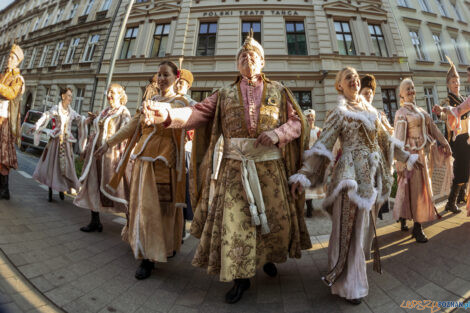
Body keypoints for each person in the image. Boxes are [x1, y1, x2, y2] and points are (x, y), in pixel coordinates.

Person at [142, 32, 311, 304]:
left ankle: (267, 257)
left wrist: (278, 134)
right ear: (237, 63)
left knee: (272, 221)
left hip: (270, 170)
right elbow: (196, 113)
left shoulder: (280, 91)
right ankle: (240, 277)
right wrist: (166, 114)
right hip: (234, 171)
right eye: (242, 56)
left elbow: (298, 123)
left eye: (253, 56)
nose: (247, 59)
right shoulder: (223, 94)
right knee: (236, 223)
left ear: (263, 62)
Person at [290, 67, 418, 304]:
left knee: (360, 230)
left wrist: (407, 157)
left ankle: (350, 277)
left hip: (369, 178)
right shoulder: (338, 112)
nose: (354, 79)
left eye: (356, 77)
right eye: (348, 77)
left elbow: (386, 142)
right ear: (339, 85)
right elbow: (323, 145)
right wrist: (304, 174)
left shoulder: (372, 112)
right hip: (348, 176)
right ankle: (347, 283)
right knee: (345, 228)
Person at [94, 61, 189, 280]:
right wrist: (108, 143)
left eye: (166, 74)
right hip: (143, 162)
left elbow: (188, 123)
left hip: (165, 163)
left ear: (176, 77)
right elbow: (132, 128)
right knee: (143, 207)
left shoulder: (181, 103)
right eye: (159, 74)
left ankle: (155, 253)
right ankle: (147, 252)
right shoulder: (149, 101)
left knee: (162, 209)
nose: (162, 78)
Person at [393, 78, 451, 243]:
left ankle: (416, 226)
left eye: (412, 87)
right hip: (409, 157)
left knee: (420, 189)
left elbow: (432, 128)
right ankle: (409, 221)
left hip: (422, 156)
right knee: (408, 189)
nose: (411, 90)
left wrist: (446, 143)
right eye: (407, 89)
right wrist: (402, 160)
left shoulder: (421, 111)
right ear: (401, 94)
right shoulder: (401, 113)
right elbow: (397, 140)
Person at [74, 84, 131, 232]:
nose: (109, 95)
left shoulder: (123, 112)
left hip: (113, 158)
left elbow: (127, 135)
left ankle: (131, 224)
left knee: (121, 190)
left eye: (112, 92)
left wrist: (124, 157)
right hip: (96, 157)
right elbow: (95, 133)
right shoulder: (105, 111)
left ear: (120, 95)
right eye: (108, 92)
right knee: (93, 186)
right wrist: (86, 149)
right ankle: (95, 221)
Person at [32, 88, 87, 202]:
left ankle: (62, 189)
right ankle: (51, 191)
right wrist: (37, 125)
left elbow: (80, 120)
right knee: (53, 166)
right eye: (69, 95)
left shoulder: (71, 111)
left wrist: (90, 119)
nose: (70, 98)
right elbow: (46, 115)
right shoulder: (56, 108)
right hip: (56, 142)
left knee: (66, 166)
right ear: (63, 96)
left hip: (66, 143)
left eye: (71, 96)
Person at [435, 57, 470, 213]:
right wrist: (440, 113)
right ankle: (451, 202)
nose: (456, 84)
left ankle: (462, 196)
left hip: (466, 136)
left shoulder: (463, 98)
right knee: (460, 170)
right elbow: (444, 115)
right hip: (456, 140)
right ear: (448, 84)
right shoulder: (447, 100)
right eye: (453, 81)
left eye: (458, 81)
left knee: (467, 168)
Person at [0, 44, 25, 200]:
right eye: (8, 57)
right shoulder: (3, 75)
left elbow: (10, 93)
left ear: (17, 61)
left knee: (3, 156)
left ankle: (5, 189)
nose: (8, 59)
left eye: (12, 57)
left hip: (5, 121)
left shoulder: (18, 78)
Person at [303, 109, 323, 217]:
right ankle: (309, 207)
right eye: (308, 117)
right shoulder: (303, 132)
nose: (310, 119)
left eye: (312, 117)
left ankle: (311, 205)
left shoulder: (319, 131)